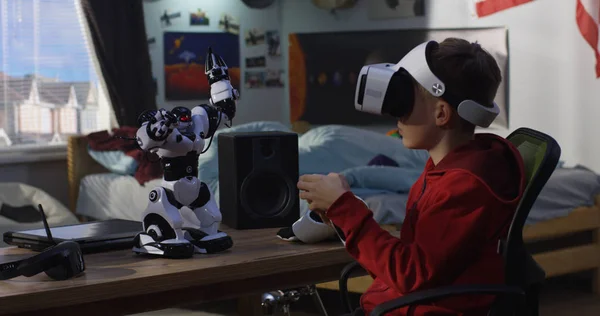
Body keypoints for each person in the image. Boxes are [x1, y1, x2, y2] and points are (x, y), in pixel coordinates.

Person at [297, 38, 525, 316]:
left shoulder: (464, 187)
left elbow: (411, 274)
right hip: (399, 305)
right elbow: (406, 266)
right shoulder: (441, 170)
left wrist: (345, 208)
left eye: (405, 103)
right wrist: (339, 217)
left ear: (441, 113)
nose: (397, 116)